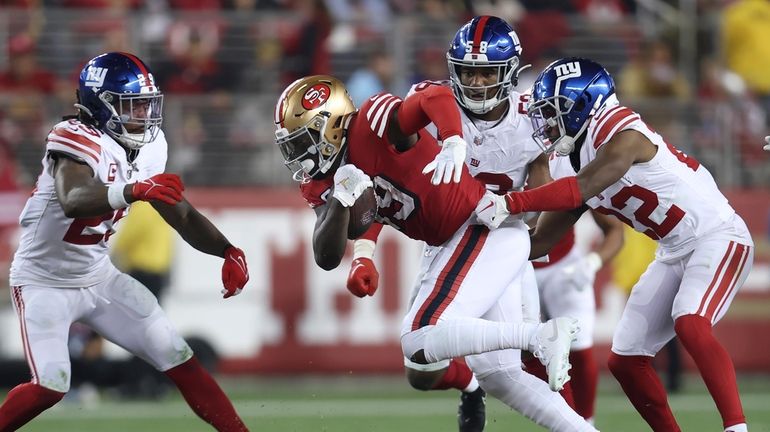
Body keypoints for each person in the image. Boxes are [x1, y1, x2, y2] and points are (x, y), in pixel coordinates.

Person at [274, 72, 596, 431]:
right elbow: (326, 254)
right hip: (464, 239)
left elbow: (436, 96)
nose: (298, 155)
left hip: (480, 226)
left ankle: (538, 337)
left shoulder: (374, 123)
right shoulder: (323, 181)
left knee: (419, 336)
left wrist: (453, 140)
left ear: (330, 125)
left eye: (302, 141)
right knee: (499, 375)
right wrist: (340, 198)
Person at [474, 57, 753, 432]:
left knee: (690, 322)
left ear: (583, 104)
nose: (547, 124)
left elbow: (585, 187)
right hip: (674, 251)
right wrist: (476, 247)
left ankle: (737, 429)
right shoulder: (577, 158)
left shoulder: (621, 130)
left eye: (554, 112)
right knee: (625, 362)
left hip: (718, 235)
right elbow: (539, 242)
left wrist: (513, 201)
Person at [344, 16, 589, 431]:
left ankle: (542, 347)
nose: (476, 82)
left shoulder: (535, 115)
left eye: (486, 72)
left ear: (509, 72)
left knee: (439, 342)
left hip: (497, 233)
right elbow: (384, 182)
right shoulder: (434, 107)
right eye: (468, 71)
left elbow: (565, 183)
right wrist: (364, 251)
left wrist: (532, 219)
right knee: (437, 369)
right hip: (451, 238)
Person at [0, 52, 251, 432]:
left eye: (146, 105)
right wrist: (133, 189)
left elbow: (178, 212)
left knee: (181, 358)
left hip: (99, 277)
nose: (142, 115)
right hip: (43, 280)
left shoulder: (150, 147)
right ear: (100, 105)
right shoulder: (73, 136)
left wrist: (227, 250)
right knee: (50, 386)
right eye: (131, 106)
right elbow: (74, 200)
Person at [532, 155, 625, 424]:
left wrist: (592, 262)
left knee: (579, 347)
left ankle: (586, 424)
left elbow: (614, 231)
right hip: (515, 268)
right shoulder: (495, 160)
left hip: (564, 265)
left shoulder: (569, 166)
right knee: (519, 355)